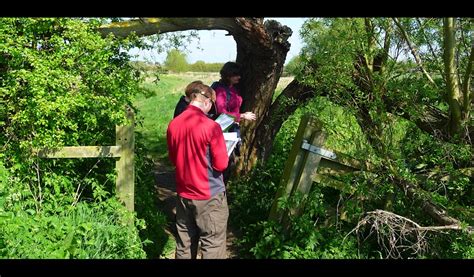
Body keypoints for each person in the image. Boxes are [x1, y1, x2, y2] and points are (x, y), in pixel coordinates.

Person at [167, 82, 229, 259]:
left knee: (184, 243)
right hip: (209, 194)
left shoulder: (174, 124)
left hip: (184, 193)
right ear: (207, 101)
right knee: (213, 244)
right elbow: (221, 164)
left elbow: (173, 159)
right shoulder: (211, 126)